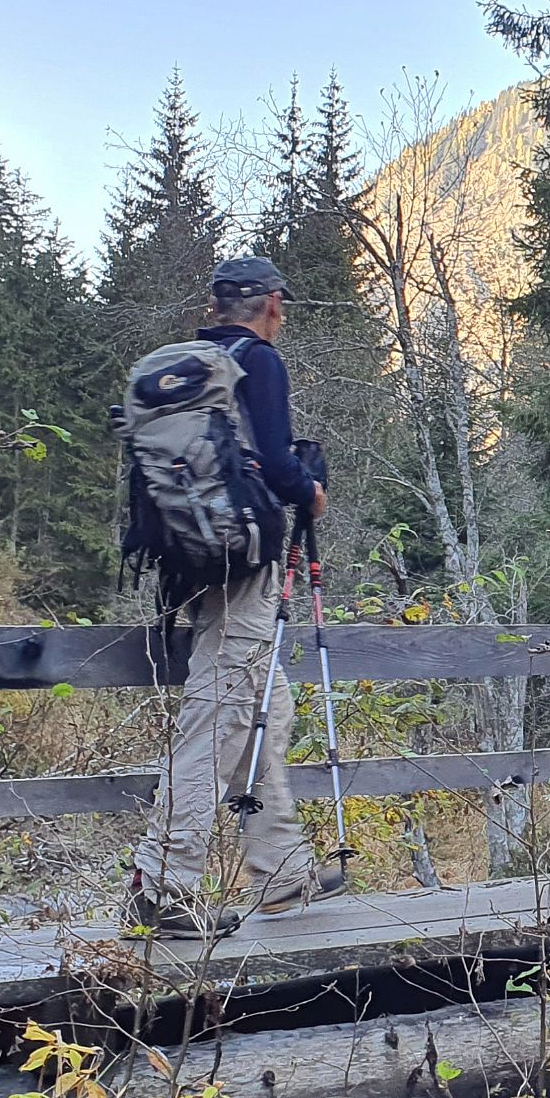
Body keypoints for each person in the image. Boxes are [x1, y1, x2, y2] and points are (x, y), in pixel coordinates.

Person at [124, 256, 340, 938]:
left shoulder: (184, 364)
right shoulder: (259, 362)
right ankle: (164, 886)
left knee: (264, 706)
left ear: (216, 305)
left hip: (188, 557)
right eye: (281, 305)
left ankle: (279, 874)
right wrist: (310, 492)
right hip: (246, 559)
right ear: (272, 304)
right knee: (218, 716)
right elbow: (276, 466)